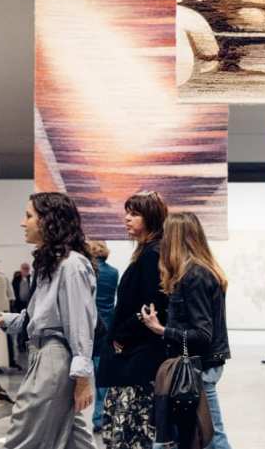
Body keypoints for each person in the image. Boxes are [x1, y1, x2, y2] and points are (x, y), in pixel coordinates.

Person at [0, 192, 97, 449]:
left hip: (55, 360)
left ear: (48, 221)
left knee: (23, 435)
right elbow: (39, 314)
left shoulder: (71, 265)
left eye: (29, 216)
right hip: (45, 356)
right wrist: (1, 319)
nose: (22, 223)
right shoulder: (51, 263)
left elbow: (80, 324)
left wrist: (83, 378)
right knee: (73, 439)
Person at [140, 211, 232, 449]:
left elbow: (202, 335)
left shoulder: (195, 275)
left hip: (200, 366)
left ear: (175, 238)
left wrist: (161, 329)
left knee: (212, 436)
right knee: (198, 434)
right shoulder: (194, 272)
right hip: (198, 365)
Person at [99, 192, 169, 449]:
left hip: (139, 358)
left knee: (131, 433)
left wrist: (121, 336)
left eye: (134, 213)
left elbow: (151, 305)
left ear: (150, 218)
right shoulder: (147, 251)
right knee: (127, 432)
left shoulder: (153, 254)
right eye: (127, 212)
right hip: (135, 356)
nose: (127, 219)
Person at [88, 240, 119, 433]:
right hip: (106, 326)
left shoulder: (86, 272)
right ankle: (100, 417)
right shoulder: (113, 272)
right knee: (102, 375)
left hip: (86, 326)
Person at [12, 263, 33, 355]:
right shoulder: (16, 280)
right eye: (24, 269)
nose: (25, 270)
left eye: (27, 269)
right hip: (19, 305)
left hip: (29, 305)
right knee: (20, 325)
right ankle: (20, 345)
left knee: (28, 326)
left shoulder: (31, 278)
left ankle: (26, 344)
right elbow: (13, 292)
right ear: (21, 269)